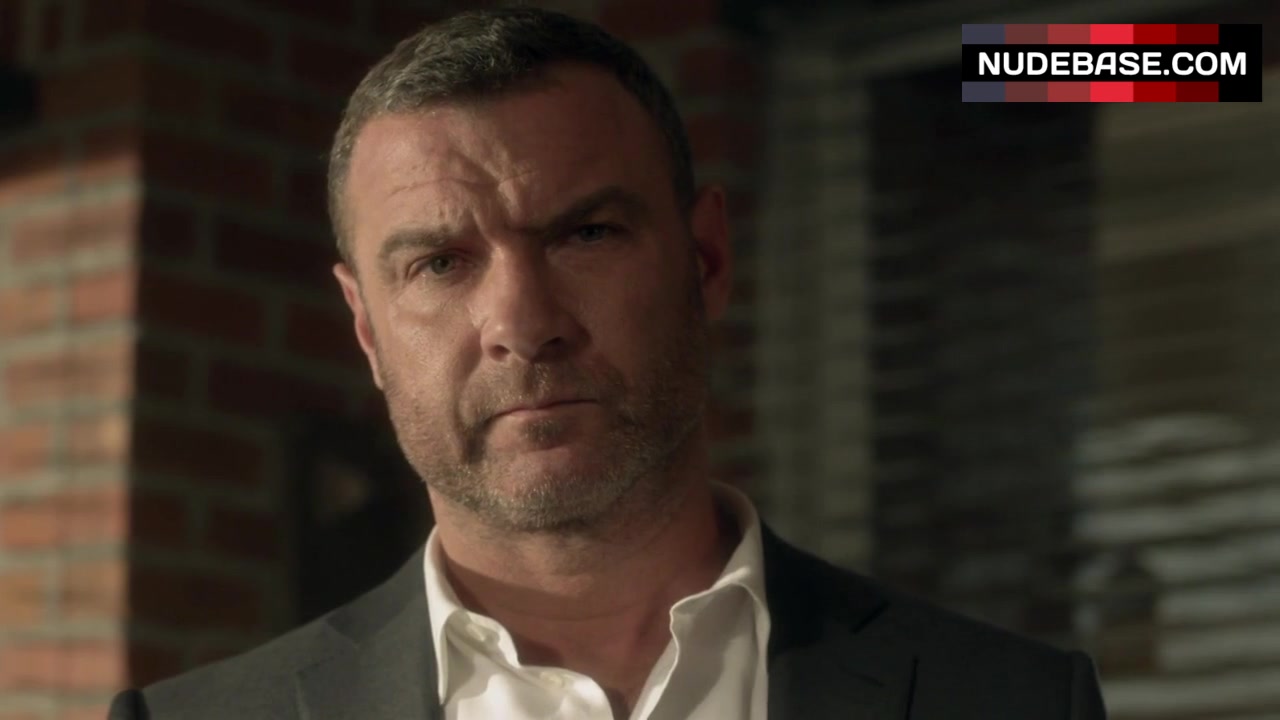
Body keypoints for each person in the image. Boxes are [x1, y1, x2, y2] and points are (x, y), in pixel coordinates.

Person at [108, 7, 1106, 719]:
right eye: (440, 263)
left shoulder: (1013, 702)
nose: (521, 323)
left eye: (584, 234)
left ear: (704, 262)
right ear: (367, 330)